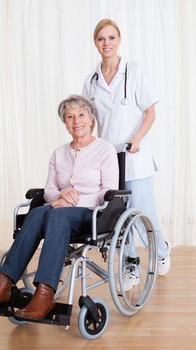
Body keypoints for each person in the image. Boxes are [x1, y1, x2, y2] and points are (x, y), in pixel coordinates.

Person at [0, 95, 119, 320]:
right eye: (70, 117)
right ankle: (3, 285)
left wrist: (72, 200)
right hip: (58, 209)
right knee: (38, 211)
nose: (76, 121)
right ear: (64, 123)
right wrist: (60, 196)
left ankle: (45, 294)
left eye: (81, 115)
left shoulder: (105, 150)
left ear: (91, 120)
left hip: (92, 213)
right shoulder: (59, 153)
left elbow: (108, 191)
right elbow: (49, 189)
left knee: (56, 217)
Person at [82, 18, 170, 285]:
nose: (106, 43)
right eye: (101, 39)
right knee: (119, 215)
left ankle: (162, 250)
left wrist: (137, 139)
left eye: (111, 38)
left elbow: (150, 112)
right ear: (95, 43)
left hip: (134, 156)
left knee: (142, 211)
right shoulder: (92, 80)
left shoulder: (134, 70)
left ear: (118, 40)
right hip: (108, 159)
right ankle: (131, 265)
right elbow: (89, 118)